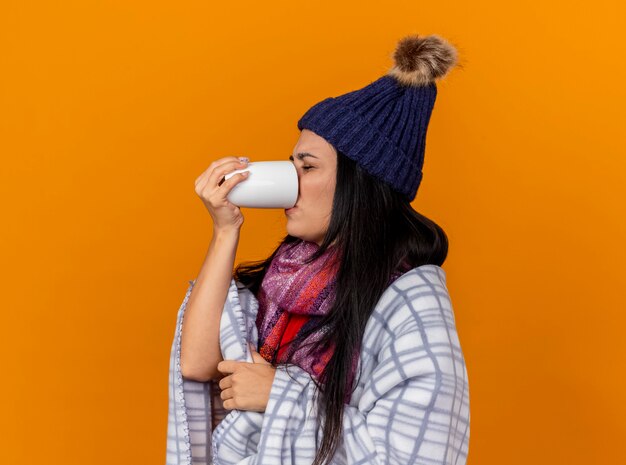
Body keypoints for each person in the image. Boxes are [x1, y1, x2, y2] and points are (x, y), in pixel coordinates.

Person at [166, 33, 469, 465]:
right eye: (291, 165)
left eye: (307, 167)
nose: (291, 181)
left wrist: (279, 395)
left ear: (357, 183)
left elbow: (417, 452)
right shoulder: (289, 274)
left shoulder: (410, 305)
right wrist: (224, 230)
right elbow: (198, 364)